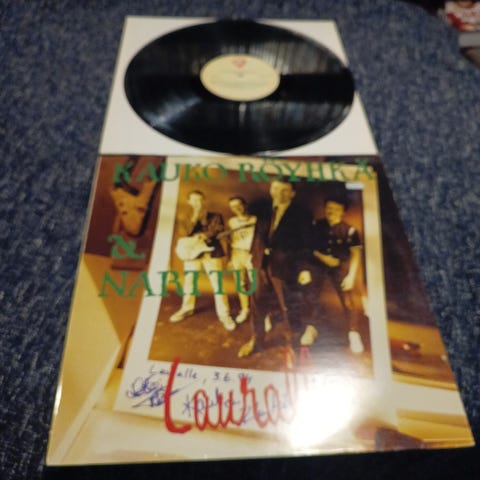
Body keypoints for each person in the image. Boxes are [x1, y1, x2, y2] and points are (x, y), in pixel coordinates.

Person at [238, 180, 312, 357]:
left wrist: (304, 268)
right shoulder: (263, 209)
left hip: (284, 267)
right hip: (259, 265)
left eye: (285, 190)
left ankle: (292, 345)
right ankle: (257, 340)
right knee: (256, 305)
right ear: (271, 189)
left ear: (292, 194)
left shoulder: (302, 214)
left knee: (288, 307)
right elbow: (257, 235)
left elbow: (306, 243)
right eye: (276, 188)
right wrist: (251, 257)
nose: (279, 193)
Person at [300, 193, 365, 354]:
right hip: (318, 265)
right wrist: (318, 261)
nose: (331, 212)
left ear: (343, 212)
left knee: (349, 299)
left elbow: (356, 254)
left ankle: (353, 333)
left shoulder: (350, 231)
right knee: (310, 294)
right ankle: (311, 328)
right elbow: (308, 248)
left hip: (340, 267)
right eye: (329, 208)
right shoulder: (316, 225)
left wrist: (351, 276)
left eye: (336, 209)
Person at [170, 190, 235, 331]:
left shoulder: (216, 216)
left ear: (204, 201)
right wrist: (195, 216)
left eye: (199, 200)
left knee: (218, 285)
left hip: (212, 253)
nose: (197, 203)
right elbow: (185, 233)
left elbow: (218, 229)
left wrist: (203, 236)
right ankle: (187, 309)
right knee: (189, 283)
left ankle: (224, 315)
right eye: (194, 200)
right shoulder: (184, 217)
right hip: (193, 254)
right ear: (189, 202)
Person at [227, 196, 257, 324]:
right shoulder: (232, 221)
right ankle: (245, 309)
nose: (236, 208)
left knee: (256, 284)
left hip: (251, 254)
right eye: (233, 207)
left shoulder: (255, 220)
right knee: (240, 284)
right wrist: (230, 258)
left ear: (245, 204)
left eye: (239, 205)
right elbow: (230, 240)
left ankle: (260, 313)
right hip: (237, 253)